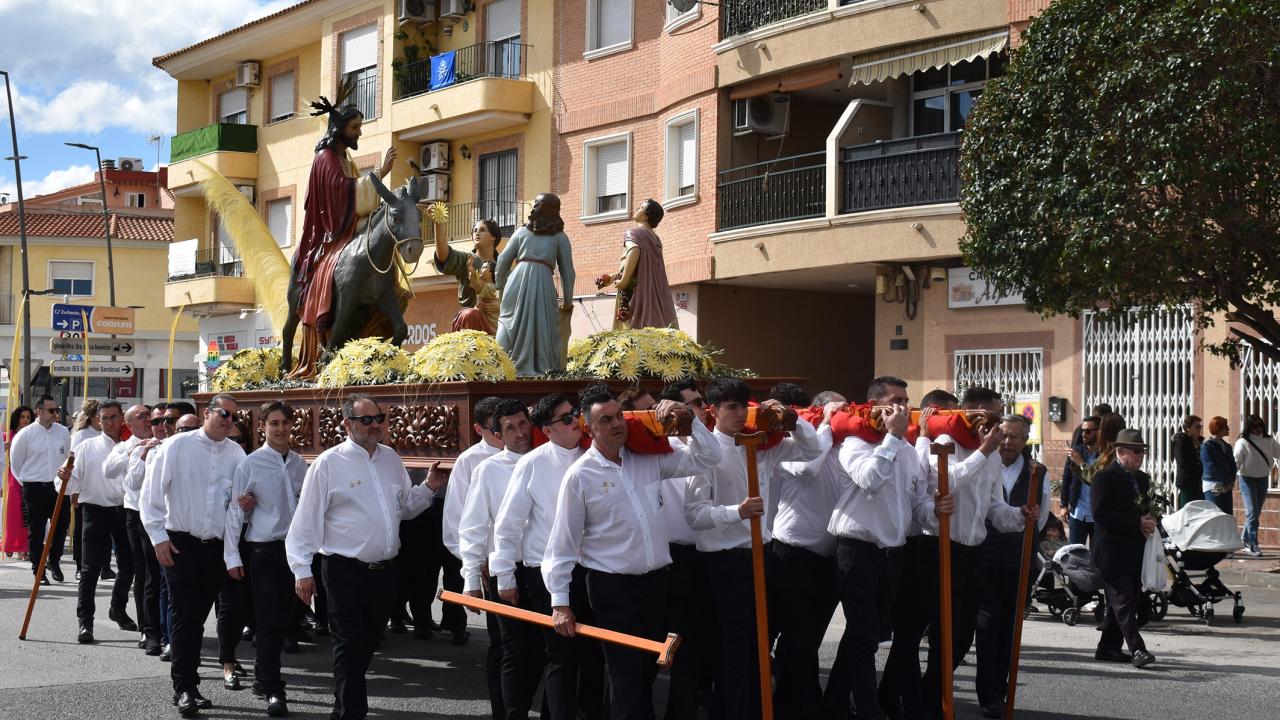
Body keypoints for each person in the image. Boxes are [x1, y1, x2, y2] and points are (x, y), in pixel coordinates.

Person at [545, 385, 722, 720]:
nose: (617, 424)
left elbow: (710, 457)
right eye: (606, 420)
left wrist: (689, 421)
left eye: (619, 416)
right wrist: (560, 603)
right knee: (626, 678)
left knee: (645, 675)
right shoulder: (580, 476)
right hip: (612, 588)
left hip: (656, 584)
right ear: (589, 428)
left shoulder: (649, 458)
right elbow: (562, 543)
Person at [287, 393, 445, 720]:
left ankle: (342, 704)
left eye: (379, 418)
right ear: (347, 424)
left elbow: (405, 508)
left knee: (366, 644)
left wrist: (428, 487)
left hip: (385, 571)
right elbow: (306, 519)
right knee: (348, 644)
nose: (375, 425)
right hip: (345, 570)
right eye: (367, 420)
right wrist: (302, 569)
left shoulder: (390, 458)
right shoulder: (328, 463)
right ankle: (352, 713)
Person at [685, 378, 825, 720]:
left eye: (742, 406)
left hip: (764, 555)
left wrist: (791, 418)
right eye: (730, 407)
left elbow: (812, 450)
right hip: (727, 561)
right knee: (737, 646)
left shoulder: (760, 442)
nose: (738, 414)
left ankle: (753, 707)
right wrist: (737, 512)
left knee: (759, 644)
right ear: (713, 412)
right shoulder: (705, 454)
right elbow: (694, 514)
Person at [821, 377, 946, 720]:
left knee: (868, 636)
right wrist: (892, 437)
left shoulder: (906, 451)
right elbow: (870, 480)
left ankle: (834, 701)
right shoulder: (855, 443)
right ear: (875, 405)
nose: (903, 408)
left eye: (906, 401)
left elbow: (913, 505)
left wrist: (936, 511)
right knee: (863, 634)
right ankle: (869, 709)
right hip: (857, 550)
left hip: (893, 553)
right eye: (895, 401)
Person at [491, 392, 604, 720]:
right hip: (545, 570)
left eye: (576, 413)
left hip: (593, 568)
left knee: (594, 655)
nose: (576, 421)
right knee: (562, 654)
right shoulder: (532, 463)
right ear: (549, 429)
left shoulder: (595, 455)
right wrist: (505, 575)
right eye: (567, 418)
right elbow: (508, 523)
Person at [141, 395, 246, 716]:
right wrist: (158, 537)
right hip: (179, 543)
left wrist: (232, 555)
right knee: (185, 615)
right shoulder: (177, 446)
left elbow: (235, 511)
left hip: (215, 548)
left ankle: (187, 682)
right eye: (224, 413)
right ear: (207, 413)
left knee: (198, 618)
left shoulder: (237, 453)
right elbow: (151, 494)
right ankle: (185, 686)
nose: (230, 420)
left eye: (234, 416)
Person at [285, 95, 397, 378]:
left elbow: (351, 190)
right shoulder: (326, 157)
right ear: (340, 129)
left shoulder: (343, 157)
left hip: (348, 222)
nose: (359, 132)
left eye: (360, 127)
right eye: (355, 127)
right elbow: (340, 191)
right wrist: (380, 172)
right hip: (330, 230)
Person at [460, 399, 542, 720]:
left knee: (543, 653)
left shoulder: (547, 460)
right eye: (510, 428)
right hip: (506, 572)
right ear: (498, 435)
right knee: (514, 651)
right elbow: (472, 526)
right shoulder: (488, 470)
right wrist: (470, 581)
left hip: (545, 571)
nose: (521, 432)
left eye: (524, 424)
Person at [878, 388, 958, 720]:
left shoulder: (936, 443)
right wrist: (924, 437)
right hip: (911, 547)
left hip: (926, 542)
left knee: (913, 633)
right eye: (946, 416)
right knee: (908, 632)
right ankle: (893, 698)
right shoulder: (908, 441)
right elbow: (924, 477)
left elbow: (923, 497)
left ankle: (900, 697)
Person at [225, 401, 307, 717]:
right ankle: (272, 687)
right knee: (270, 623)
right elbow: (235, 512)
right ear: (263, 427)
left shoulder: (301, 465)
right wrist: (232, 556)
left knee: (287, 621)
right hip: (264, 552)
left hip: (295, 552)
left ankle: (262, 678)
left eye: (285, 422)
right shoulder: (251, 464)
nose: (280, 429)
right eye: (274, 423)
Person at [771, 389, 847, 720]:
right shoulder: (793, 444)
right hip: (792, 555)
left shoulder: (843, 447)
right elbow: (806, 470)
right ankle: (796, 706)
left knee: (807, 640)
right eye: (836, 411)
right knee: (796, 640)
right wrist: (826, 426)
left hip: (828, 559)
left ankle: (794, 701)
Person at [973, 414, 1049, 718]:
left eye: (1014, 437)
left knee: (1009, 628)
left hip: (1018, 561)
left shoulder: (1036, 473)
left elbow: (1040, 518)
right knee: (987, 625)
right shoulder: (984, 463)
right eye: (1002, 435)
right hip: (985, 558)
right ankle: (987, 692)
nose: (1006, 442)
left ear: (1025, 440)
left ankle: (998, 688)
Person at [657, 379, 716, 720]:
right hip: (675, 555)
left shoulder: (707, 440)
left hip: (709, 552)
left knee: (704, 639)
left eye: (701, 402)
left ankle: (697, 700)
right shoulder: (661, 448)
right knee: (678, 641)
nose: (701, 409)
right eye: (692, 404)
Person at [442, 396, 504, 716]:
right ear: (479, 428)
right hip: (492, 565)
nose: (504, 433)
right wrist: (475, 563)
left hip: (533, 561)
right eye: (496, 428)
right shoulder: (470, 461)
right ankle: (502, 706)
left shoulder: (529, 450)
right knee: (502, 644)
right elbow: (456, 522)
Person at [68, 401, 135, 644]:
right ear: (97, 420)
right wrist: (64, 477)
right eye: (104, 418)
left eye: (113, 417)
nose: (109, 423)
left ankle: (117, 607)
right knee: (90, 569)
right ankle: (85, 622)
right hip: (94, 510)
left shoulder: (132, 445)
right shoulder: (87, 446)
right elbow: (71, 480)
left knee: (129, 566)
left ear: (122, 419)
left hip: (125, 511)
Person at [1090, 428, 1157, 669]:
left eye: (1143, 452)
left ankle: (1107, 648)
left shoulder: (1143, 479)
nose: (1141, 457)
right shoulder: (1104, 477)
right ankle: (1137, 649)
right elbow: (1100, 514)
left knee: (1126, 600)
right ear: (1120, 451)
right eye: (1136, 452)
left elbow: (1145, 509)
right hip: (1111, 551)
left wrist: (1150, 520)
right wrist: (1135, 522)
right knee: (1123, 600)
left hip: (1134, 550)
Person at [495, 193, 576, 376]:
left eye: (536, 205)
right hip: (543, 282)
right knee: (543, 325)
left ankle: (501, 367)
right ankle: (540, 370)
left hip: (517, 280)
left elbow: (502, 260)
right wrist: (568, 301)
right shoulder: (560, 237)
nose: (533, 209)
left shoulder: (521, 232)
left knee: (509, 322)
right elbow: (568, 273)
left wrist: (499, 284)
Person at [111, 404, 164, 655]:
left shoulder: (168, 445)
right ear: (130, 424)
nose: (150, 421)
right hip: (138, 514)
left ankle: (164, 627)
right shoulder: (129, 447)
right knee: (145, 573)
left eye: (151, 416)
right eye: (143, 418)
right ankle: (147, 627)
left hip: (167, 515)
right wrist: (137, 453)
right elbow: (122, 478)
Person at [9, 394, 72, 585]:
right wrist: (27, 485)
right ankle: (38, 569)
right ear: (39, 411)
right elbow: (16, 464)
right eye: (51, 410)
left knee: (61, 528)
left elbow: (67, 457)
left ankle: (54, 561)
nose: (55, 414)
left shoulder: (62, 432)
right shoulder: (25, 435)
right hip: (34, 487)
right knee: (36, 531)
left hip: (58, 487)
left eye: (57, 410)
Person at [594, 199, 677, 330]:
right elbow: (634, 267)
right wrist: (610, 279)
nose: (637, 209)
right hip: (654, 294)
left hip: (636, 293)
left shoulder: (633, 233)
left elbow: (633, 251)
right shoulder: (656, 240)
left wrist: (624, 281)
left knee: (631, 332)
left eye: (640, 208)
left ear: (645, 216)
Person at [433, 216, 504, 333]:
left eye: (482, 230)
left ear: (493, 236)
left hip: (499, 326)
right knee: (471, 314)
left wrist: (500, 307)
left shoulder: (504, 268)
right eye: (475, 231)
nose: (477, 233)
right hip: (471, 323)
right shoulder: (467, 260)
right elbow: (444, 256)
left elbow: (517, 301)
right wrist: (438, 224)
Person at [1234, 415, 1279, 557]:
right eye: (1255, 426)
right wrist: (1231, 478)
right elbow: (1237, 461)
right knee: (1252, 513)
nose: (1258, 429)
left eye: (1260, 425)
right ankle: (1253, 544)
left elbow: (1278, 453)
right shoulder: (1243, 442)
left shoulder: (1269, 440)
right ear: (1249, 427)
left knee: (1255, 513)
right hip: (1247, 480)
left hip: (1263, 479)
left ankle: (1245, 539)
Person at [70, 399, 103, 580]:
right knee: (82, 531)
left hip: (103, 490)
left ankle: (103, 565)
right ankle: (79, 565)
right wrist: (74, 492)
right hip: (84, 489)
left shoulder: (106, 434)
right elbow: (73, 464)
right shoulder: (81, 436)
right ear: (92, 418)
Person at [1060, 415, 1101, 545]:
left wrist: (1081, 463)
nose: (1084, 434)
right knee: (1075, 555)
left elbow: (1098, 481)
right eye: (1083, 430)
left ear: (1099, 432)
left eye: (1088, 431)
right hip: (1078, 513)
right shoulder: (1076, 451)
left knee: (1097, 558)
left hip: (1097, 516)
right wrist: (1063, 505)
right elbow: (1067, 477)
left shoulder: (1105, 456)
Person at [2, 405, 34, 558]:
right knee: (13, 512)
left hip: (29, 476)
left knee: (26, 514)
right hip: (13, 477)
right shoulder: (8, 435)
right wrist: (4, 447)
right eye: (22, 417)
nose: (25, 420)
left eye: (28, 417)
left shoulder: (33, 435)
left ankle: (23, 547)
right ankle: (10, 543)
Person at [1201, 416, 1236, 514]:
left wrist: (1231, 480)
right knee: (1215, 515)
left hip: (1226, 485)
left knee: (1227, 515)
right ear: (1218, 428)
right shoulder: (1207, 445)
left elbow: (1232, 464)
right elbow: (1211, 467)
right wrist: (1228, 480)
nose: (1228, 429)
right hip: (1213, 485)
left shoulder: (1226, 446)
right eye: (1225, 427)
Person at [1172, 415, 1204, 508]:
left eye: (1200, 427)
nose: (1199, 429)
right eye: (1197, 427)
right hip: (1187, 481)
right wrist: (1198, 464)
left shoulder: (1202, 441)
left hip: (1200, 482)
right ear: (1188, 428)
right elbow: (1182, 462)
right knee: (1188, 509)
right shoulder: (1182, 441)